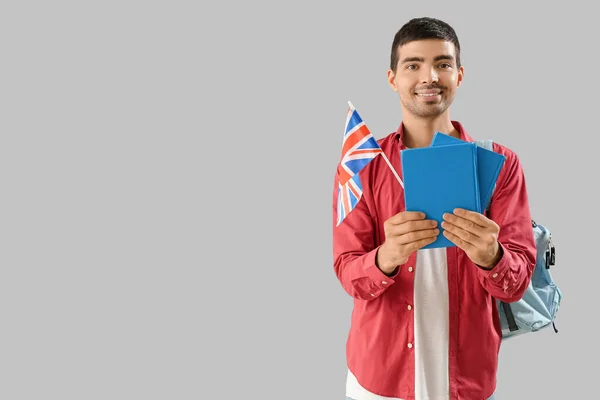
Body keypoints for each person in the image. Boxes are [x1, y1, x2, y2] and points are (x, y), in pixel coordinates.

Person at [331, 17, 536, 400]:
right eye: (413, 65)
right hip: (379, 379)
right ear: (393, 78)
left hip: (467, 379)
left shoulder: (500, 165)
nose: (429, 76)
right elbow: (347, 271)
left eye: (442, 64)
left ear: (459, 75)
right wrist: (386, 257)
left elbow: (518, 282)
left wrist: (493, 257)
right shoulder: (363, 165)